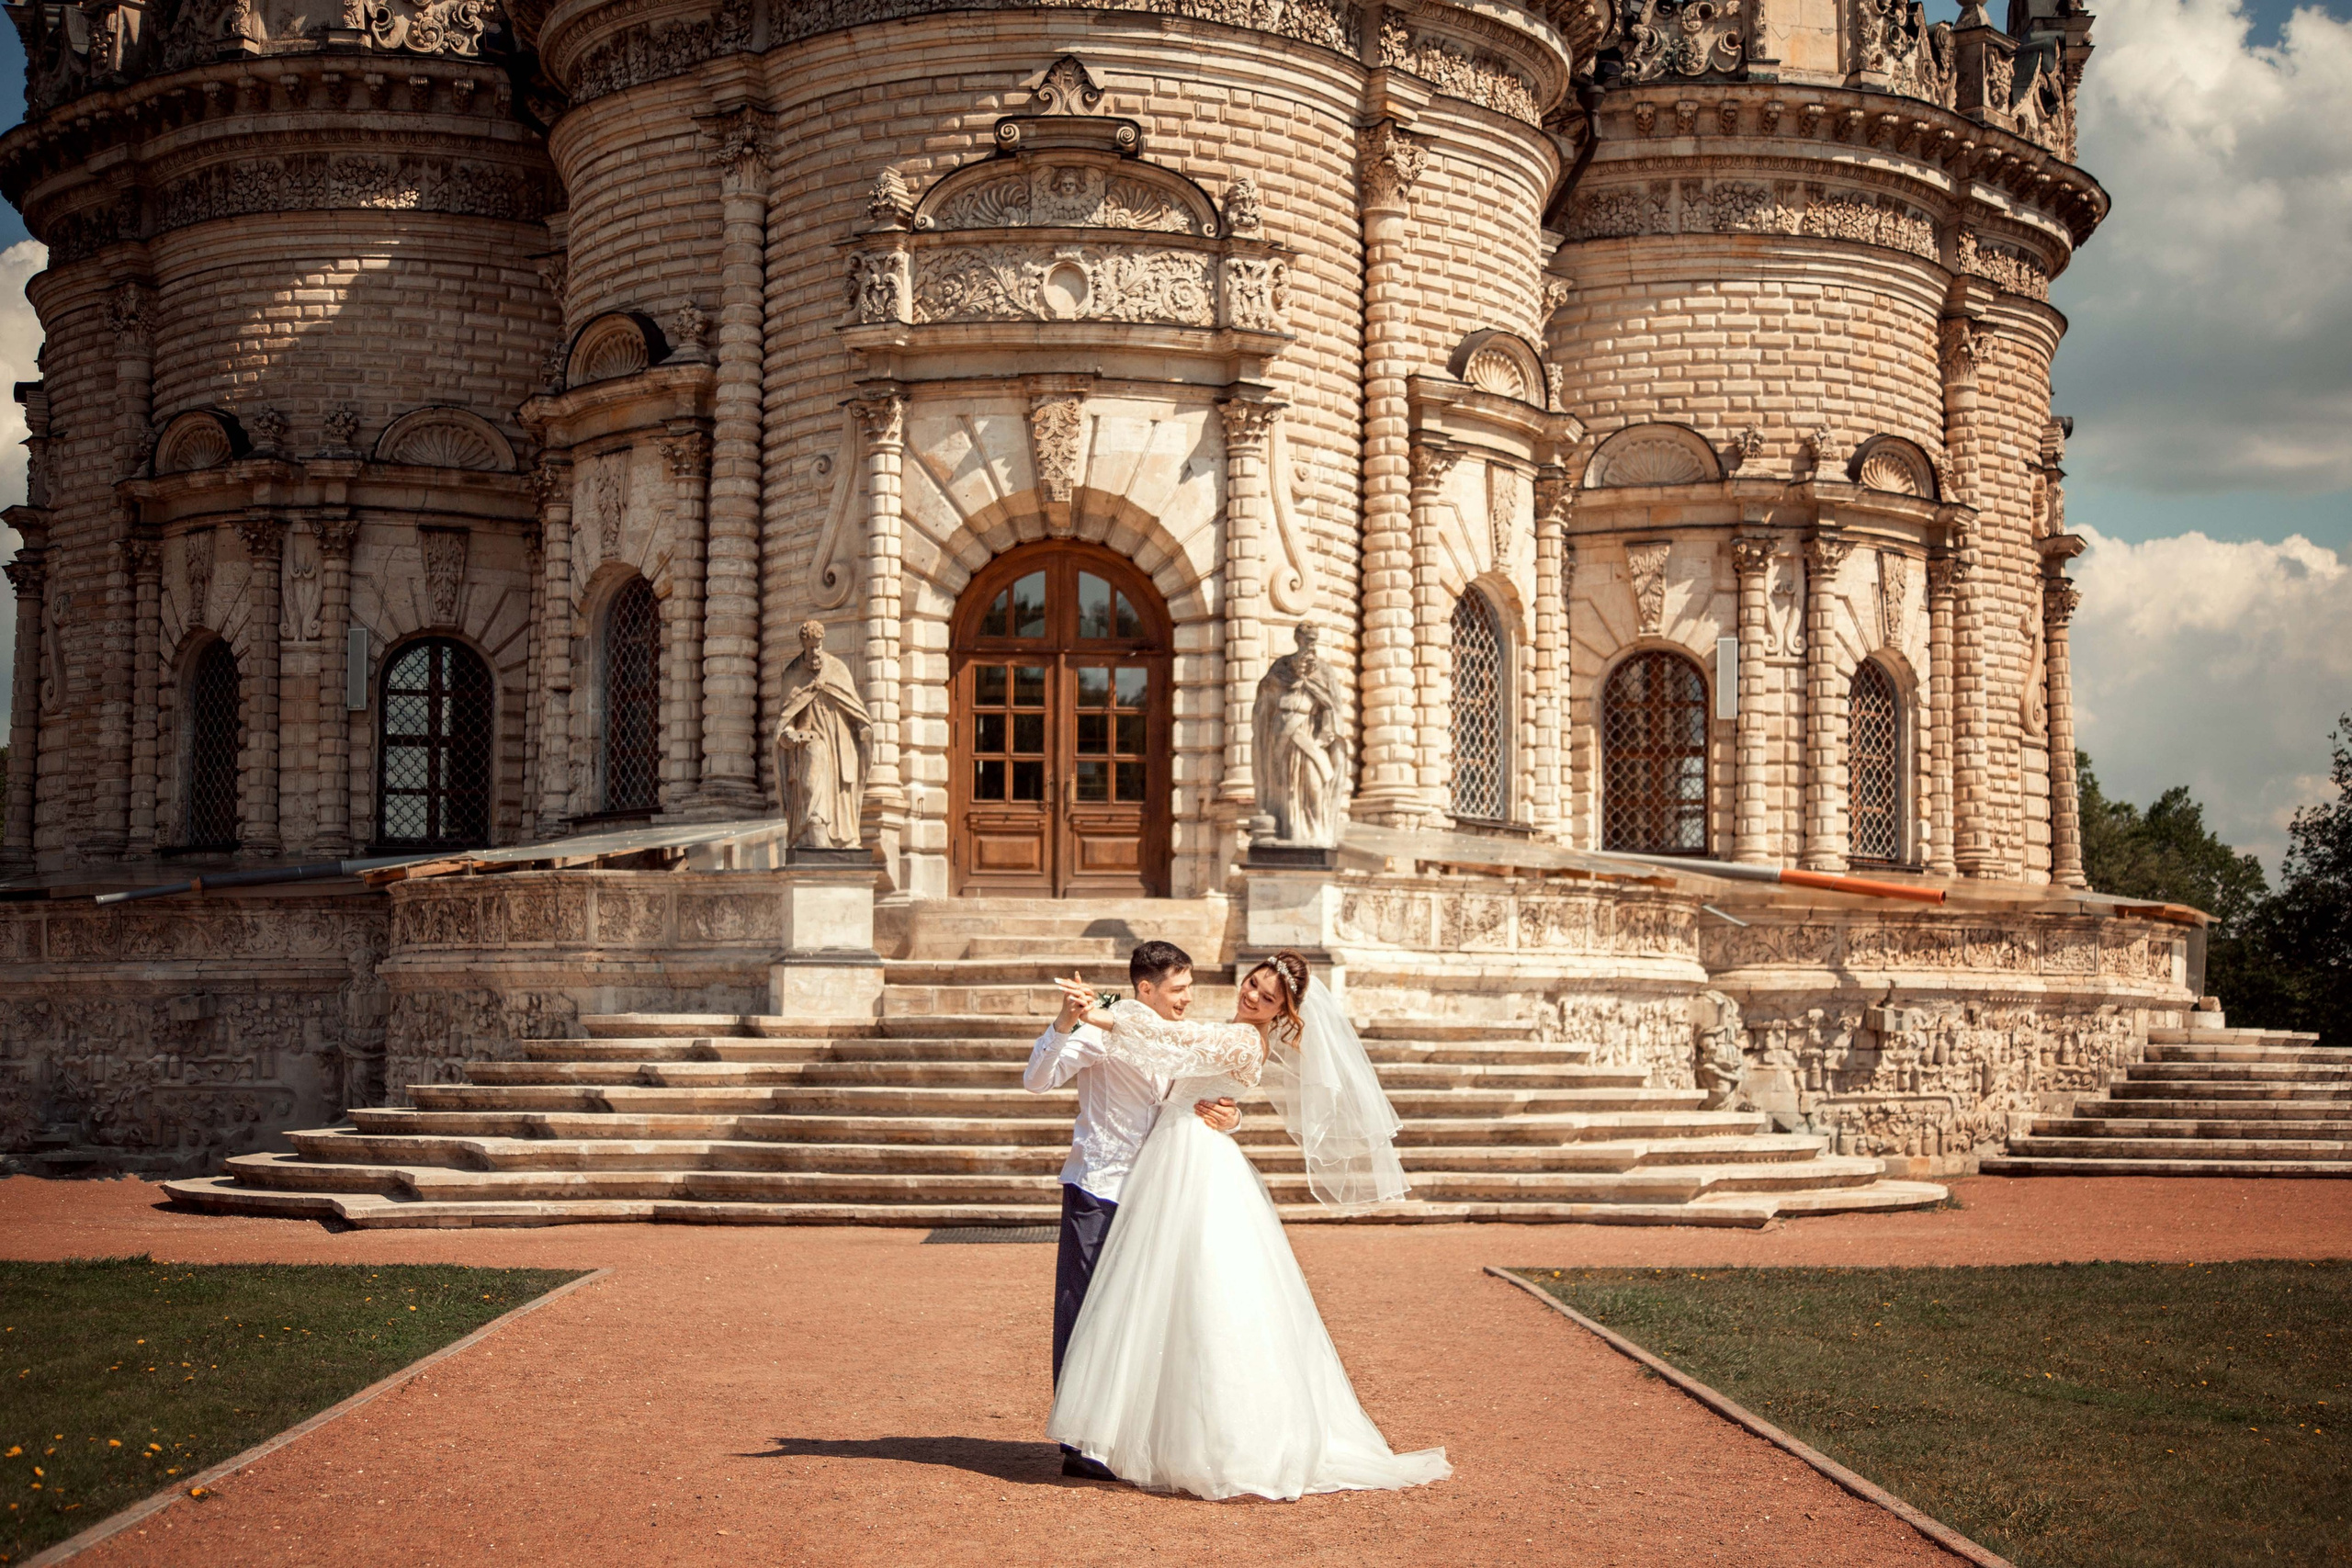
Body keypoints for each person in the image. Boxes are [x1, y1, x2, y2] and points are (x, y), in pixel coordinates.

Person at [1045, 952, 1448, 1501]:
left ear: (1283, 1011)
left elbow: (1169, 1042)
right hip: (1166, 1158)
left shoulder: (1241, 1040)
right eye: (1254, 983)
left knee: (1199, 1295)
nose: (1253, 995)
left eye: (1268, 997)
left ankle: (1214, 1438)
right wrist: (1102, 999)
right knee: (1156, 1296)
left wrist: (1097, 1013)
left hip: (1192, 1166)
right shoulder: (1233, 1029)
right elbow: (1165, 1027)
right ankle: (1134, 1433)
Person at [1023, 939, 1239, 1481]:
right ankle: (1079, 1442)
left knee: (1139, 1315)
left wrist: (1228, 1117)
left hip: (1157, 1193)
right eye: (1179, 989)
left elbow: (1206, 1101)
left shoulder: (1177, 1034)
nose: (1188, 999)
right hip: (1098, 1187)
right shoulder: (1103, 1028)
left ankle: (1124, 1430)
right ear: (1146, 989)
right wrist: (1063, 1023)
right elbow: (1037, 1080)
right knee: (1084, 1311)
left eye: (1190, 987)